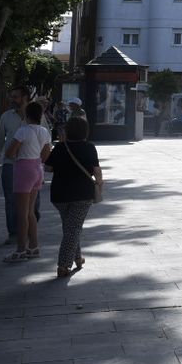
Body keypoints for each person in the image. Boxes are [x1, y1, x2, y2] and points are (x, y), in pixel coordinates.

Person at [49, 116, 102, 279]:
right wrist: (99, 184)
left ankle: (77, 258)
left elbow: (48, 167)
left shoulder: (59, 147)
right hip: (82, 195)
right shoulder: (89, 147)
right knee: (72, 228)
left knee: (70, 227)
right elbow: (96, 170)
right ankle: (63, 265)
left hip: (59, 195)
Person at [2, 101, 52, 263]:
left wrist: (18, 157)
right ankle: (34, 246)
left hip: (24, 168)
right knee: (30, 211)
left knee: (21, 213)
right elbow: (46, 154)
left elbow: (9, 152)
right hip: (38, 168)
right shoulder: (44, 131)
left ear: (26, 115)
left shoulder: (22, 131)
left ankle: (21, 249)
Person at [0, 87, 39, 247]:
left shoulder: (36, 116)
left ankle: (30, 232)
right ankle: (14, 232)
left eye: (16, 97)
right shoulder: (6, 116)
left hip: (31, 165)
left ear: (25, 97)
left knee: (34, 203)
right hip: (11, 165)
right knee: (11, 201)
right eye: (11, 96)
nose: (12, 99)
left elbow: (44, 137)